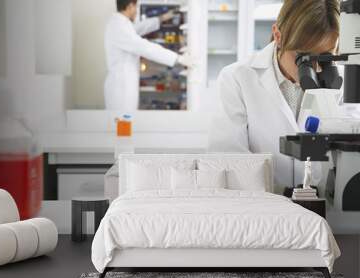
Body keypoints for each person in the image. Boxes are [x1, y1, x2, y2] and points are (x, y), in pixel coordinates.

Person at [209, 0, 340, 192]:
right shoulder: (237, 78)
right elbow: (228, 159)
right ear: (278, 36)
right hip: (264, 209)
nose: (315, 69)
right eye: (303, 58)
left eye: (326, 57)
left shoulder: (345, 83)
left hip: (327, 210)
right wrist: (281, 194)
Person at [104, 0, 192, 111]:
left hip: (124, 83)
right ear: (130, 6)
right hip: (121, 87)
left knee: (124, 122)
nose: (136, 10)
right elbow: (144, 47)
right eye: (136, 7)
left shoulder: (121, 24)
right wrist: (177, 58)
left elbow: (139, 28)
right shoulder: (118, 27)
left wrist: (162, 18)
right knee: (122, 123)